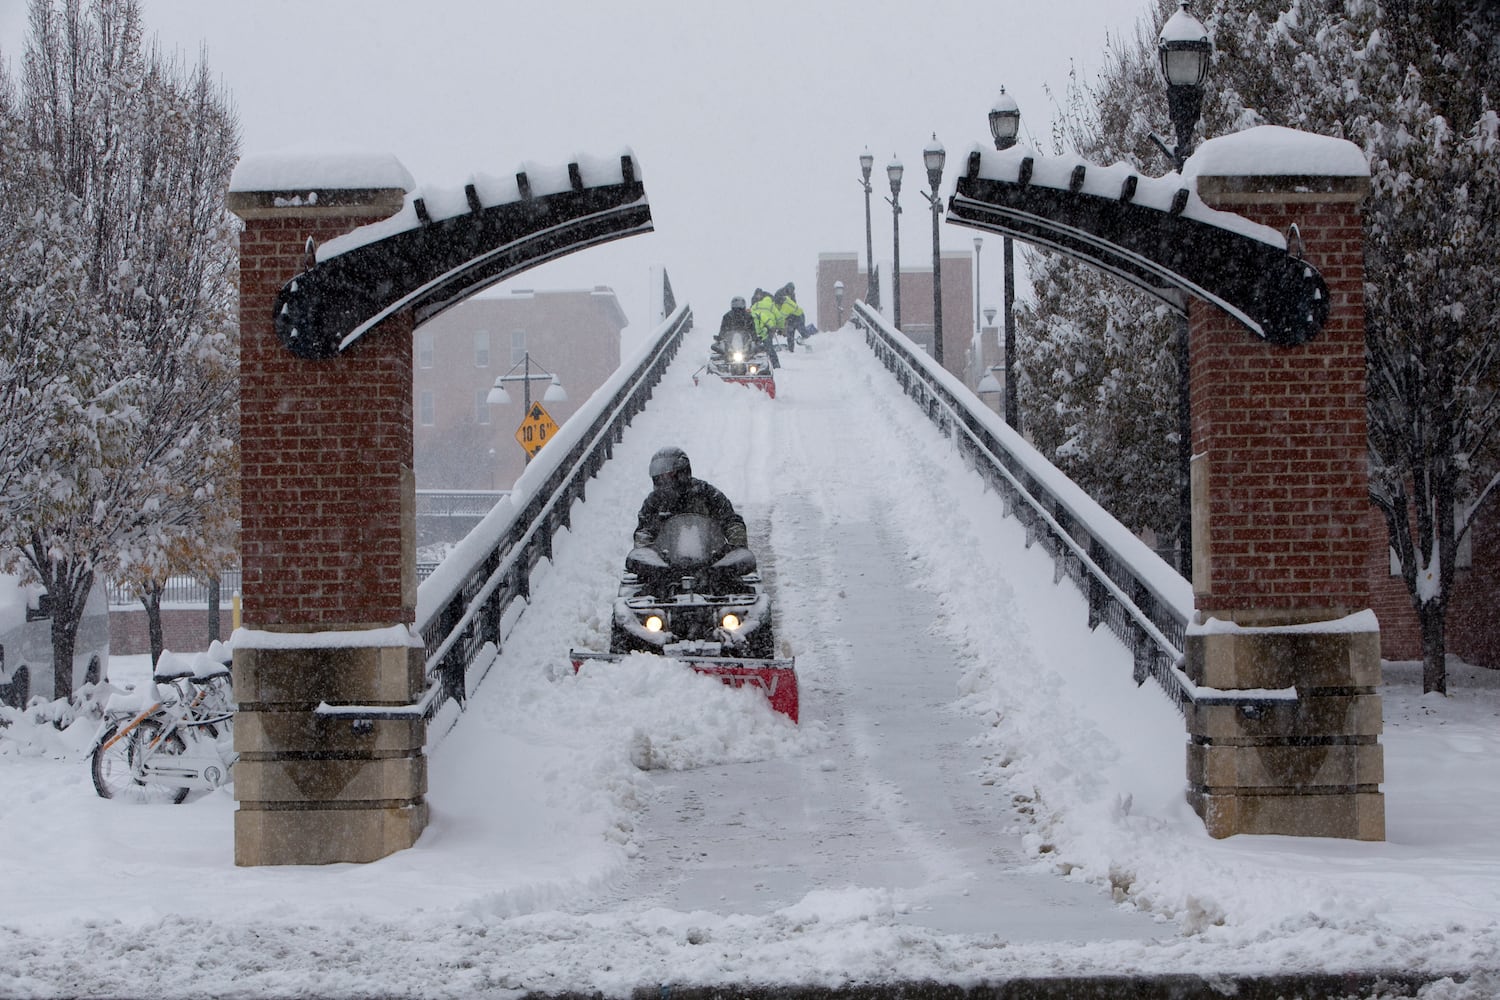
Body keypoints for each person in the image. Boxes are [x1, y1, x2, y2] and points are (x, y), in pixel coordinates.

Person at [633, 446, 748, 551]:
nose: (662, 479)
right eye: (659, 476)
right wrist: (645, 552)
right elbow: (644, 530)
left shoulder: (706, 493)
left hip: (711, 561)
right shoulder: (654, 501)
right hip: (665, 564)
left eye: (668, 475)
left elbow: (731, 520)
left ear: (682, 472)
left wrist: (736, 546)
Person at [748, 288, 781, 368]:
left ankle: (755, 364)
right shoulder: (771, 305)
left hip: (759, 330)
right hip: (765, 329)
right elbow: (778, 317)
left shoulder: (756, 306)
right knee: (769, 347)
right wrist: (778, 327)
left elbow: (751, 315)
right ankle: (775, 365)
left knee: (753, 347)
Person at [774, 282, 806, 352]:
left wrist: (779, 328)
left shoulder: (786, 305)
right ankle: (791, 351)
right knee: (790, 335)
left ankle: (809, 347)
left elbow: (781, 317)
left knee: (803, 333)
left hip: (798, 317)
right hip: (791, 317)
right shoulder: (780, 293)